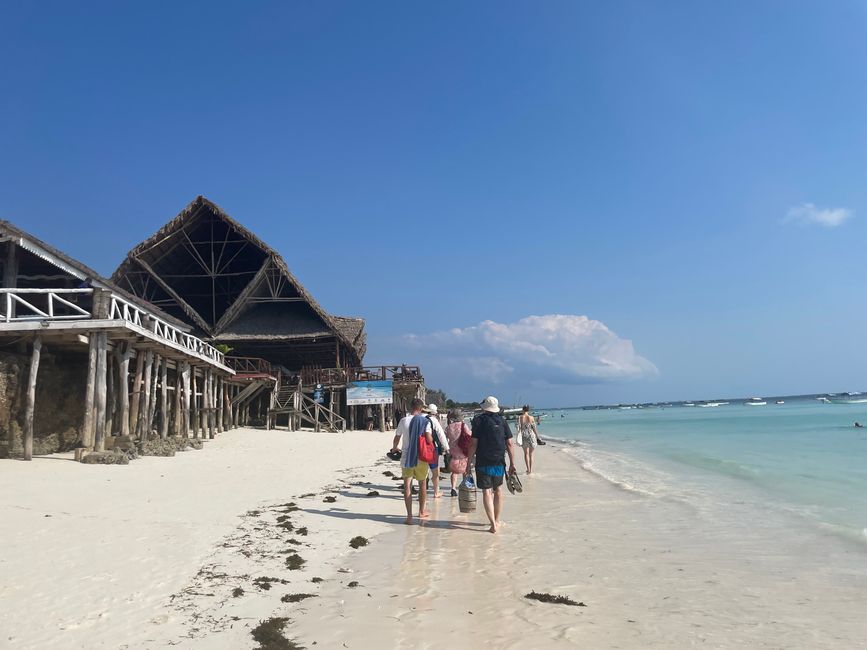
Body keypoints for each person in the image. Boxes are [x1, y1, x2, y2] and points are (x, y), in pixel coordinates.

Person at [467, 396, 516, 534]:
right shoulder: (502, 421)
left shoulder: (478, 421)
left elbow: (473, 444)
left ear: (485, 408)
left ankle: (492, 523)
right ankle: (497, 519)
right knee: (498, 490)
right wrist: (512, 463)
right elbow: (510, 443)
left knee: (487, 491)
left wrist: (469, 462)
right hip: (499, 461)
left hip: (483, 461)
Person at [390, 398, 434, 524]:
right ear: (421, 409)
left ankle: (409, 517)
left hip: (407, 457)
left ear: (411, 408)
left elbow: (397, 437)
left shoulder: (403, 420)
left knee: (407, 486)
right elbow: (429, 439)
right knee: (422, 484)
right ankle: (421, 511)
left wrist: (394, 448)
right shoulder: (425, 421)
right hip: (421, 457)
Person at [425, 404, 450, 498]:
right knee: (435, 470)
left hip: (421, 448)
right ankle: (436, 491)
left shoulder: (421, 418)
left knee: (424, 469)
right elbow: (441, 435)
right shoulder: (433, 420)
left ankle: (424, 486)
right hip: (432, 448)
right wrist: (447, 448)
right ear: (434, 413)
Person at [444, 409, 471, 496]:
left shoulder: (449, 427)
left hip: (453, 450)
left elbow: (445, 437)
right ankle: (464, 486)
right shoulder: (464, 425)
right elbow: (469, 435)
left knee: (454, 472)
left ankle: (453, 488)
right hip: (463, 450)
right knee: (465, 470)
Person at [517, 405, 540, 475]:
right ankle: (531, 470)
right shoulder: (532, 417)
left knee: (526, 454)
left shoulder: (520, 417)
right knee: (531, 454)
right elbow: (534, 428)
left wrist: (518, 436)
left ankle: (528, 469)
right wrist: (537, 437)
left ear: (522, 410)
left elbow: (518, 427)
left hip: (524, 436)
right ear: (528, 410)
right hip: (531, 435)